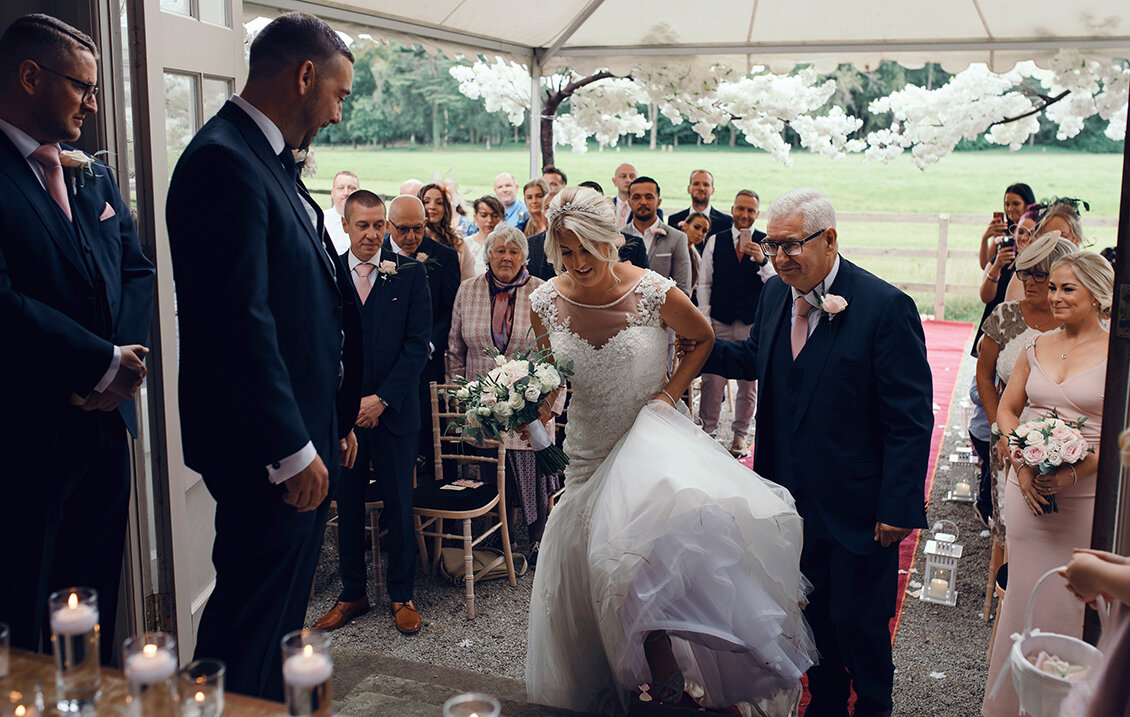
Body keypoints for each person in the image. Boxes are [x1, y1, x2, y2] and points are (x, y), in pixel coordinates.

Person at [526, 187, 816, 715]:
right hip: (587, 452)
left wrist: (668, 391)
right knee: (588, 573)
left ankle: (669, 687)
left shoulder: (654, 291)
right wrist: (531, 408)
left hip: (651, 446)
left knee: (645, 573)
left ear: (608, 240)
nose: (577, 262)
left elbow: (702, 338)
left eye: (586, 248)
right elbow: (551, 378)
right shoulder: (545, 300)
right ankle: (613, 686)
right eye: (565, 252)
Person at [165, 12, 362, 699]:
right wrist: (289, 448)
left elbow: (304, 308)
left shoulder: (266, 159)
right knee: (244, 635)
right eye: (338, 95)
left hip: (304, 436)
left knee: (279, 630)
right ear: (304, 75)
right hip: (266, 454)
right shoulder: (223, 160)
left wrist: (330, 421)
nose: (338, 115)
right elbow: (236, 321)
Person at [686, 187, 934, 717]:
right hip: (791, 503)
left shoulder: (886, 307)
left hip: (860, 507)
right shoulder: (775, 294)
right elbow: (757, 356)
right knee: (810, 616)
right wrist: (696, 344)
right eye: (771, 245)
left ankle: (873, 706)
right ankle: (821, 705)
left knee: (860, 625)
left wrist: (898, 505)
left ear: (829, 239)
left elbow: (910, 419)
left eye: (790, 245)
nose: (778, 257)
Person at [0, 13, 155, 659]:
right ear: (30, 75)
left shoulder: (92, 174)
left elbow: (135, 269)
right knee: (25, 613)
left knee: (91, 605)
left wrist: (122, 366)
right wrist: (98, 362)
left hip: (104, 435)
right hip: (26, 436)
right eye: (82, 87)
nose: (94, 104)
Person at [983, 251, 1112, 717]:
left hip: (1085, 496)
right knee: (1023, 594)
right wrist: (1020, 465)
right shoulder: (1036, 346)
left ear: (1098, 295)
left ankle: (1065, 702)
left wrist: (1073, 471)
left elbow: (1122, 433)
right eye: (1052, 287)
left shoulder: (1119, 355)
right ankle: (1009, 702)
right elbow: (1007, 409)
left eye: (1066, 289)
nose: (1054, 297)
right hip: (1027, 489)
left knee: (1073, 596)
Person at [311, 191, 431, 636]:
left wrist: (381, 399)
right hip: (345, 418)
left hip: (395, 413)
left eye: (379, 225)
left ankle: (402, 594)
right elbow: (322, 346)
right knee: (349, 503)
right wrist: (347, 407)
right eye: (362, 225)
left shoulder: (410, 274)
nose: (372, 234)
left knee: (401, 504)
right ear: (345, 225)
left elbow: (418, 345)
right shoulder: (330, 274)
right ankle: (352, 593)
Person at [446, 225, 563, 564]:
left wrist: (549, 405)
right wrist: (458, 398)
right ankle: (495, 535)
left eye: (514, 252)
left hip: (530, 406)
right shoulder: (467, 291)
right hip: (481, 406)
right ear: (488, 255)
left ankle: (537, 536)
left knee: (530, 468)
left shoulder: (542, 292)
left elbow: (555, 353)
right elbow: (454, 348)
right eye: (500, 251)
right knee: (485, 472)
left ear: (525, 257)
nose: (507, 258)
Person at [975, 234, 1076, 548]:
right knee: (1011, 528)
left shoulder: (1074, 321)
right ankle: (1004, 584)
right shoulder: (1004, 316)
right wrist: (999, 430)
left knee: (1056, 529)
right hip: (1009, 431)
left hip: (1065, 439)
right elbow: (984, 374)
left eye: (1039, 274)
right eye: (1025, 272)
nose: (1029, 281)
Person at [696, 190, 774, 457]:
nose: (744, 214)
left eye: (750, 210)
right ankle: (708, 432)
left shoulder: (767, 243)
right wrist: (705, 318)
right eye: (740, 209)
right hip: (719, 319)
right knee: (712, 380)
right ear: (732, 210)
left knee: (748, 382)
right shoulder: (715, 241)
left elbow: (776, 284)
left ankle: (740, 435)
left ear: (757, 214)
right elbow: (705, 282)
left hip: (752, 323)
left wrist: (763, 262)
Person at [387, 194, 460, 478]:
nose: (411, 236)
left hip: (428, 365)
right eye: (403, 229)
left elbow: (451, 310)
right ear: (388, 226)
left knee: (433, 438)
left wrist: (427, 344)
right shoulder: (376, 255)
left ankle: (442, 504)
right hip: (388, 366)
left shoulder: (443, 256)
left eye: (418, 228)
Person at [972, 202, 1044, 356]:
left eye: (1031, 233)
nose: (1024, 238)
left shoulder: (1042, 270)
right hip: (995, 328)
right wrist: (997, 267)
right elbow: (985, 297)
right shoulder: (1002, 260)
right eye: (1021, 232)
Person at [622, 176, 690, 294]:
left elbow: (683, 289)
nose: (643, 202)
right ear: (629, 202)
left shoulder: (677, 238)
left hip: (665, 309)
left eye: (649, 197)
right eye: (636, 197)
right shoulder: (618, 237)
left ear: (659, 202)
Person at [420, 182, 476, 280]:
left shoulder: (457, 243)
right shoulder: (412, 239)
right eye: (426, 201)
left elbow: (467, 279)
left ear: (446, 207)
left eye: (439, 203)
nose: (432, 207)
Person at [668, 169, 732, 246]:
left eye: (706, 185)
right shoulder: (674, 219)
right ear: (689, 189)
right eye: (696, 184)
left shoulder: (726, 222)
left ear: (712, 190)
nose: (701, 188)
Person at [979, 182, 1035, 269]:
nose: (1010, 209)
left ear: (1028, 205)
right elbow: (985, 266)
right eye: (1007, 204)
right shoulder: (1003, 231)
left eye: (1016, 204)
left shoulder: (1036, 231)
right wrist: (985, 238)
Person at [525, 189, 559, 281]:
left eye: (555, 207)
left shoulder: (574, 245)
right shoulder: (528, 243)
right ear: (542, 211)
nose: (550, 213)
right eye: (547, 207)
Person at [466, 195, 504, 275]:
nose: (489, 220)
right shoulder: (465, 244)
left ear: (501, 218)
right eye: (484, 215)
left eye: (494, 216)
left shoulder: (509, 245)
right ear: (475, 217)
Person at [323, 169, 358, 253]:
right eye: (341, 188)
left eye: (351, 188)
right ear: (332, 193)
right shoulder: (322, 220)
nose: (346, 192)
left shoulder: (369, 222)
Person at [681, 211, 710, 294]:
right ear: (685, 226)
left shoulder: (697, 258)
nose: (700, 233)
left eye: (704, 231)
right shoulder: (672, 248)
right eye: (696, 227)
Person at [610, 161, 637, 229]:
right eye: (623, 176)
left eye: (632, 176)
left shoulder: (644, 208)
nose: (628, 180)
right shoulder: (606, 206)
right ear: (614, 181)